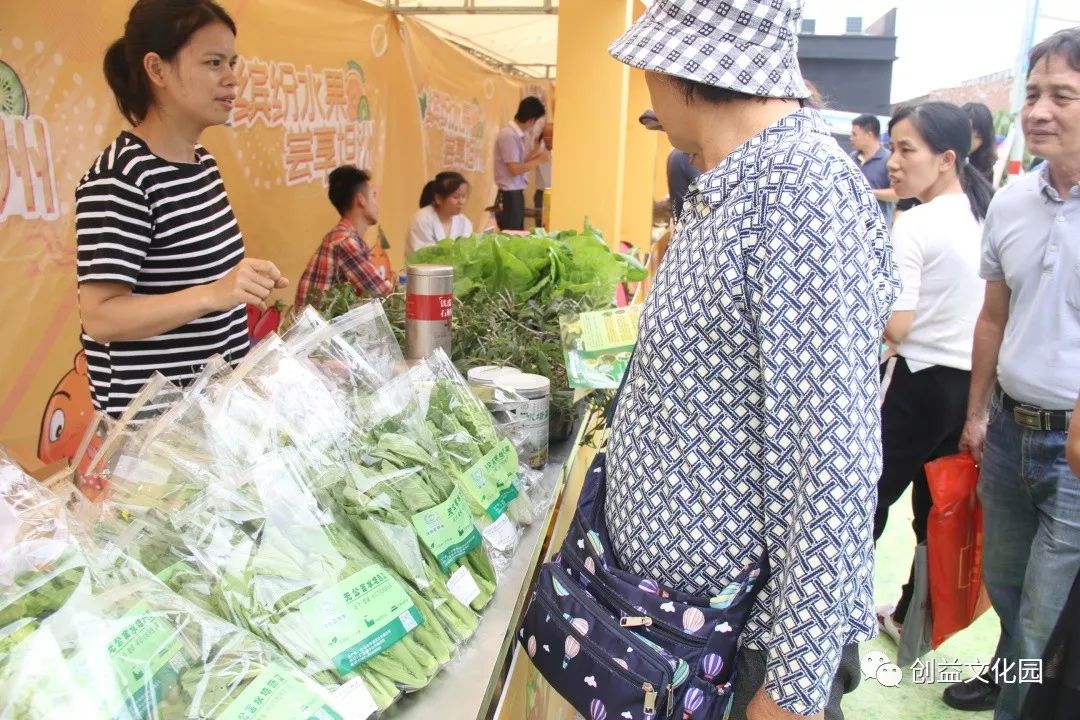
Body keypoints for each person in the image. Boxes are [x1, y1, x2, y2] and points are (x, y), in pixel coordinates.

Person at [604, 2, 899, 719]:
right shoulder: (735, 181)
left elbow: (833, 463)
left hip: (750, 650)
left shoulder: (797, 189)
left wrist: (790, 692)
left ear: (683, 70)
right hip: (695, 630)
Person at [952, 27, 1080, 720]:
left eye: (1063, 95)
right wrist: (977, 415)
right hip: (1007, 435)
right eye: (1033, 94)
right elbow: (992, 318)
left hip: (1075, 454)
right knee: (1005, 592)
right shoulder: (1012, 202)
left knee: (1042, 615)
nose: (1039, 110)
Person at [76, 0, 287, 419]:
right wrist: (214, 293)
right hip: (150, 434)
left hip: (209, 415)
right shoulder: (122, 178)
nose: (231, 80)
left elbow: (199, 281)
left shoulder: (202, 164)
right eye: (213, 63)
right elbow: (101, 317)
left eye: (232, 63)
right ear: (157, 70)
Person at [871, 102, 993, 645]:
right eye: (893, 148)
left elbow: (897, 324)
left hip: (915, 383)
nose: (894, 162)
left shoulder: (916, 223)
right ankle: (913, 622)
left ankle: (832, 616)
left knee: (864, 499)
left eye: (906, 149)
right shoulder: (984, 214)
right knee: (936, 513)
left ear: (946, 159)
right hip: (969, 388)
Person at [295, 165, 393, 307]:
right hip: (320, 329)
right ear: (361, 200)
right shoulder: (345, 241)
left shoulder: (343, 236)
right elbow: (384, 295)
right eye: (374, 195)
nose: (377, 204)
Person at [493, 96, 549, 230]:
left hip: (514, 193)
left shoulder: (515, 135)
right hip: (509, 195)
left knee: (517, 234)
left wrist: (534, 154)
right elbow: (514, 169)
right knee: (511, 236)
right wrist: (538, 161)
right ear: (531, 120)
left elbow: (519, 162)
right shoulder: (509, 135)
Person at [406, 171, 473, 256]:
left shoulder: (465, 222)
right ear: (438, 198)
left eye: (463, 196)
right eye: (455, 197)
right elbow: (424, 256)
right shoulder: (422, 219)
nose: (461, 202)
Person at [851, 114, 896, 222]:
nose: (851, 138)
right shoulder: (851, 158)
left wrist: (867, 192)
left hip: (879, 228)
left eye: (854, 134)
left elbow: (897, 194)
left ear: (869, 135)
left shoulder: (889, 160)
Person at [963, 101, 998, 184]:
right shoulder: (943, 159)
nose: (971, 142)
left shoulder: (985, 169)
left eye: (978, 137)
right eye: (967, 133)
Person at [534, 121, 553, 227]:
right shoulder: (538, 151)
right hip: (541, 194)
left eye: (551, 134)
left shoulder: (563, 152)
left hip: (556, 194)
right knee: (540, 226)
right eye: (545, 134)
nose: (548, 137)